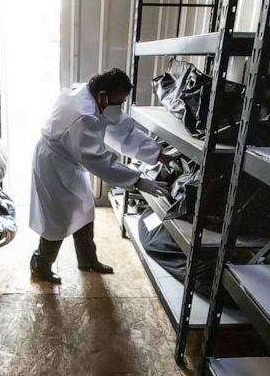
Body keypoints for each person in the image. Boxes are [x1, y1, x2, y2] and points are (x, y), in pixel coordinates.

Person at [29, 68, 171, 284]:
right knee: (56, 218)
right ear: (104, 96)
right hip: (53, 164)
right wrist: (138, 181)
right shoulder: (85, 116)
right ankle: (41, 265)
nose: (120, 108)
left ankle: (87, 260)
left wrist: (158, 154)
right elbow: (100, 161)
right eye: (119, 103)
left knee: (85, 210)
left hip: (68, 159)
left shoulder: (91, 96)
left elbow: (123, 132)